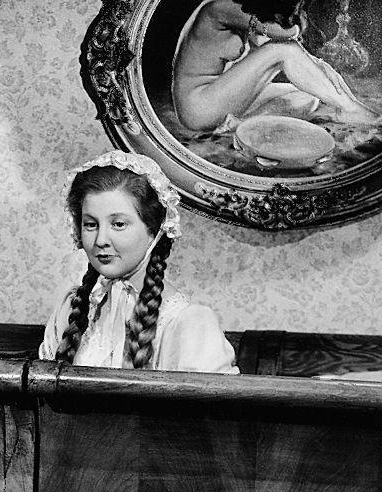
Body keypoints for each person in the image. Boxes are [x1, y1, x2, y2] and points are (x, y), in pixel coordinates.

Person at [38, 150, 238, 373]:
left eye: (118, 224)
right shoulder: (71, 309)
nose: (101, 240)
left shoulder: (188, 325)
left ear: (154, 230)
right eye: (91, 225)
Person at [170, 0, 382, 133]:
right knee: (282, 50)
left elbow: (279, 45)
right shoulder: (221, 7)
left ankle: (240, 125)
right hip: (197, 106)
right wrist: (299, 20)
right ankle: (351, 109)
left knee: (309, 95)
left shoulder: (245, 8)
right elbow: (286, 36)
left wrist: (320, 65)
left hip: (219, 96)